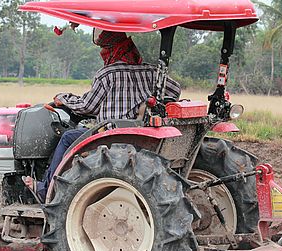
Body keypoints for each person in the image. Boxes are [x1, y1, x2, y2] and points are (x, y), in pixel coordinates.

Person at [34, 29, 181, 201]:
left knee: (68, 137)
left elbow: (87, 106)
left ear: (113, 50)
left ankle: (45, 189)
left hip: (110, 135)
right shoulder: (150, 71)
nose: (103, 54)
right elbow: (175, 90)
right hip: (140, 134)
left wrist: (63, 99)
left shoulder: (107, 75)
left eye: (104, 50)